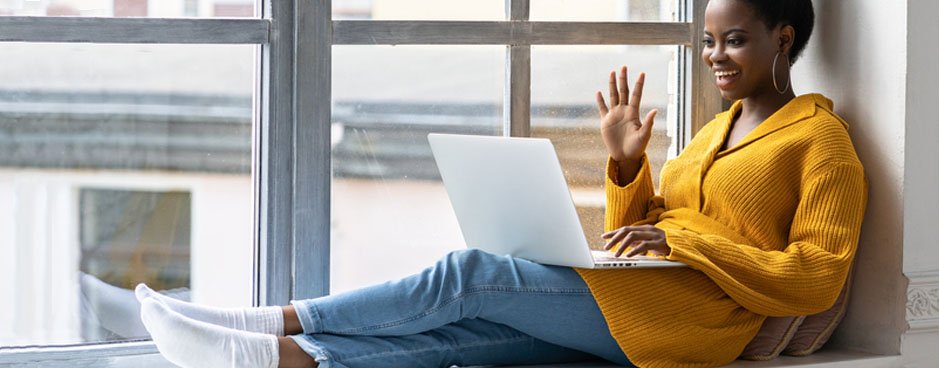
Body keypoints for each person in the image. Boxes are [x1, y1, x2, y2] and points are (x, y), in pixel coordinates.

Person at [135, 0, 867, 366]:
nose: (716, 56)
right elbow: (640, 223)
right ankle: (269, 359)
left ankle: (269, 321)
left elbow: (817, 277)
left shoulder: (820, 141)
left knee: (471, 274)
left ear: (785, 39)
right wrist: (624, 165)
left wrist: (697, 252)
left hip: (700, 319)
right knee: (469, 336)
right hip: (650, 290)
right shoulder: (715, 130)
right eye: (708, 41)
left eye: (734, 40)